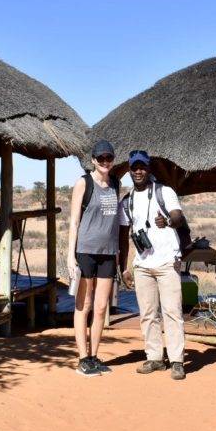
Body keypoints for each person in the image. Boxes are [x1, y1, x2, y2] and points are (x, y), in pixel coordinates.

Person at [118, 150, 187, 380]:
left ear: (149, 169)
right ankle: (155, 357)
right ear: (129, 170)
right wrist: (124, 267)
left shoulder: (164, 192)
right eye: (134, 168)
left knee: (172, 312)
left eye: (142, 167)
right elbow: (123, 236)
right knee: (148, 314)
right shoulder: (126, 202)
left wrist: (167, 221)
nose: (138, 171)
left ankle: (177, 360)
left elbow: (178, 217)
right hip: (143, 265)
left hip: (167, 261)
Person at [67, 140, 119, 377]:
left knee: (100, 308)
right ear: (93, 161)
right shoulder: (83, 183)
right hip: (86, 251)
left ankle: (95, 356)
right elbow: (74, 221)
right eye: (101, 159)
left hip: (108, 253)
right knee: (84, 305)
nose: (105, 162)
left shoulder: (116, 185)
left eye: (109, 158)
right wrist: (70, 255)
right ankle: (82, 358)